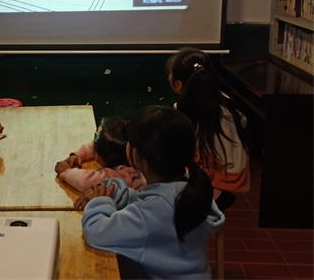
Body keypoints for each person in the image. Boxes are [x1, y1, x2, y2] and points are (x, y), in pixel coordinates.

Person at [77, 106, 224, 279]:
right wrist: (113, 192)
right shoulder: (191, 188)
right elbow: (146, 201)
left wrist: (99, 201)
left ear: (135, 156)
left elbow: (97, 232)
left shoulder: (151, 214)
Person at [166, 47, 250, 211]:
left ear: (178, 84)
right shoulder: (229, 105)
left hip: (207, 190)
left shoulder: (181, 112)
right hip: (231, 188)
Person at [54, 117, 146, 192]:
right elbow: (94, 146)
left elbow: (86, 182)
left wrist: (66, 172)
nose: (95, 154)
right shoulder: (130, 146)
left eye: (97, 153)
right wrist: (77, 155)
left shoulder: (124, 176)